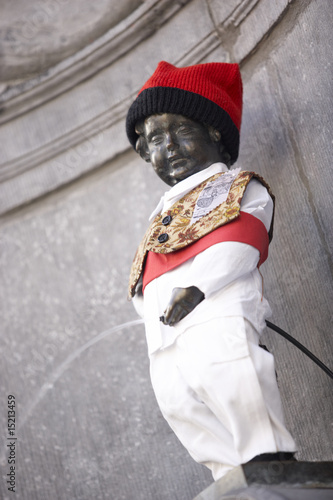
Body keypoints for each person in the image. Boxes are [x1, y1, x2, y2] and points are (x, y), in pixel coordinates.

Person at [125, 61, 296, 480]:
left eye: (183, 132)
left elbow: (242, 242)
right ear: (147, 155)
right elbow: (144, 276)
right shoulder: (159, 216)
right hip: (165, 334)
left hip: (215, 309)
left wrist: (198, 286)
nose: (172, 148)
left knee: (229, 372)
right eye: (156, 140)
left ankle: (267, 460)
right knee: (178, 400)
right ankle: (229, 475)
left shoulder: (237, 188)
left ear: (214, 135)